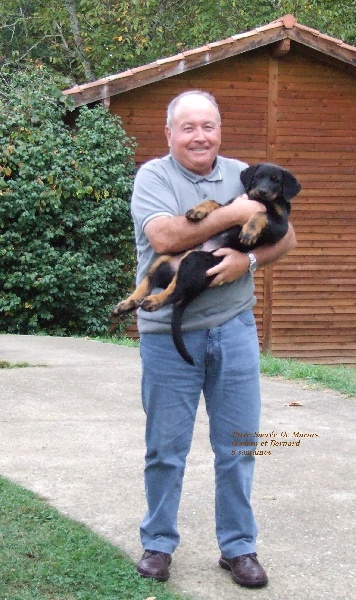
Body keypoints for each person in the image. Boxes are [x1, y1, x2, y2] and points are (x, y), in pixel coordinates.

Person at [131, 89, 296, 588]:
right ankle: (158, 544)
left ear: (220, 131)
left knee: (239, 445)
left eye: (208, 126)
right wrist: (236, 212)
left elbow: (287, 236)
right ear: (170, 134)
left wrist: (248, 259)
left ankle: (239, 547)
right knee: (166, 448)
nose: (199, 136)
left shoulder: (246, 173)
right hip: (168, 334)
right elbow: (164, 237)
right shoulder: (154, 176)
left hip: (235, 328)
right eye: (188, 127)